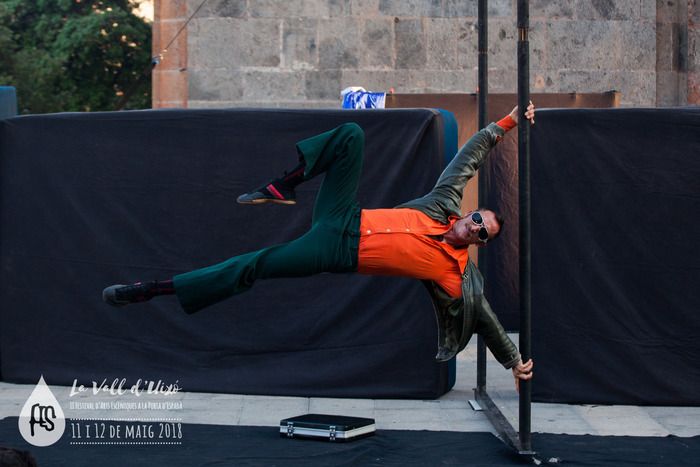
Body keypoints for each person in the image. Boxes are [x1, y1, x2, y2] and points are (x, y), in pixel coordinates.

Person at [103, 104, 536, 389]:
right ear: (467, 213)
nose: (476, 230)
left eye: (484, 235)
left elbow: (487, 321)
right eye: (478, 220)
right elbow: (472, 153)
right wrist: (510, 122)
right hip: (342, 216)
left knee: (254, 265)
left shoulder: (456, 275)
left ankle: (157, 289)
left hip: (335, 252)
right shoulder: (443, 203)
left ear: (480, 244)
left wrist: (513, 361)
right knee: (351, 135)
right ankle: (282, 185)